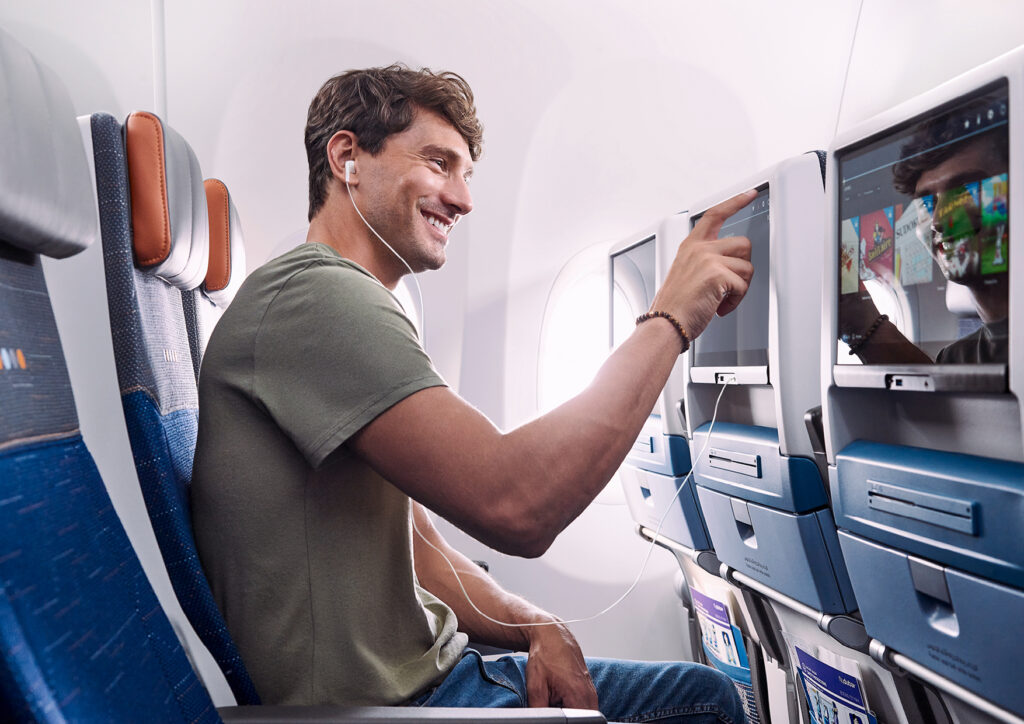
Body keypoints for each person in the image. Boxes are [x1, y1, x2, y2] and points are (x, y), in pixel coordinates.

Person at [192, 64, 752, 723]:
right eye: (438, 164)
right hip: (380, 709)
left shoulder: (346, 300)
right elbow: (517, 504)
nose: (462, 199)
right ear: (347, 158)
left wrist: (535, 624)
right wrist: (670, 319)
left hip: (429, 679)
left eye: (466, 174)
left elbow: (417, 545)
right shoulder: (316, 299)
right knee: (704, 704)